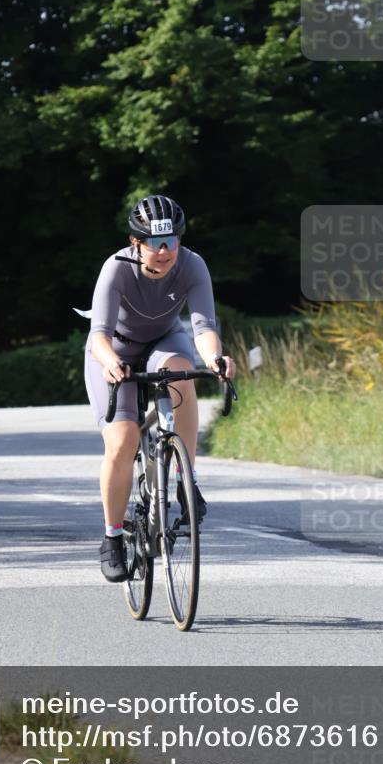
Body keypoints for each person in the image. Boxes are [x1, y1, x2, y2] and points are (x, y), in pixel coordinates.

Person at [83, 194, 236, 582]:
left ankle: (187, 481)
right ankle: (112, 537)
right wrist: (111, 362)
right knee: (123, 439)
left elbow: (203, 329)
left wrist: (216, 358)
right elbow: (98, 334)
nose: (165, 251)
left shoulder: (192, 265)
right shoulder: (115, 269)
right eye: (155, 243)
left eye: (173, 241)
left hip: (165, 341)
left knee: (183, 371)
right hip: (113, 349)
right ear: (137, 243)